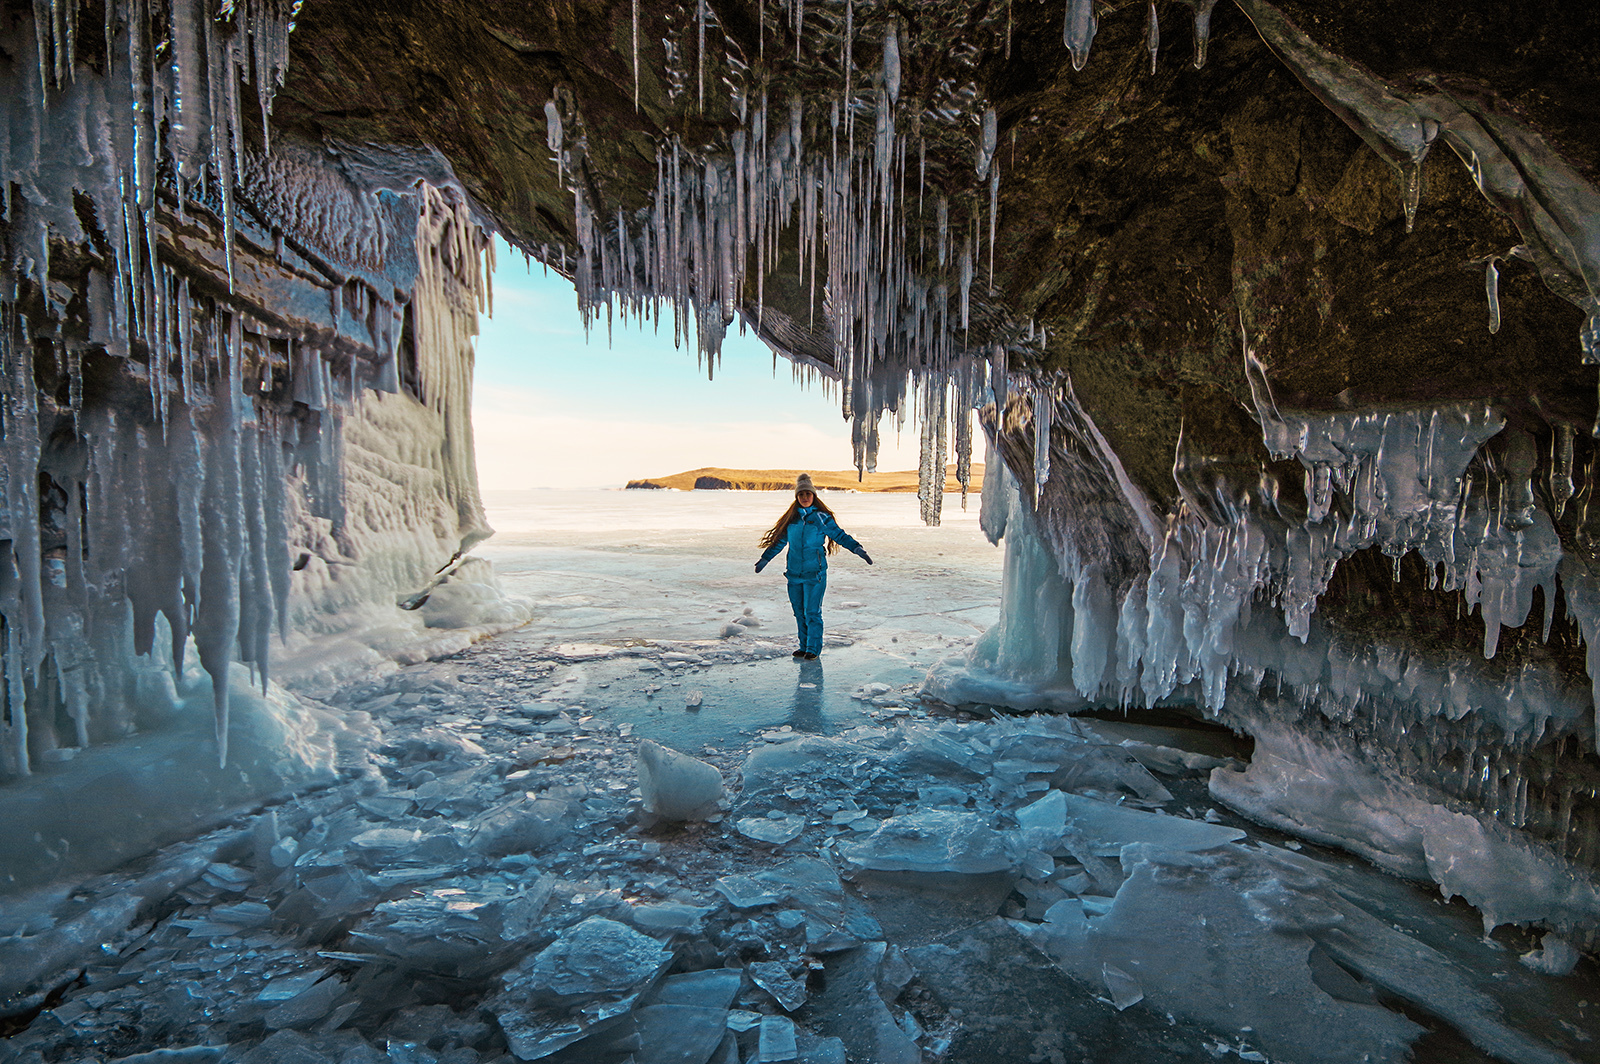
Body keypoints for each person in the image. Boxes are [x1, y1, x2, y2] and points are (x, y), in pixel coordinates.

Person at [754, 474, 873, 659]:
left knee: (812, 612)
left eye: (808, 494)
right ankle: (803, 646)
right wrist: (765, 559)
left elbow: (840, 536)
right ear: (797, 497)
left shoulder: (821, 517)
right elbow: (779, 542)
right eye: (801, 494)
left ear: (814, 495)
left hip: (815, 573)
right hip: (793, 574)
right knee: (799, 613)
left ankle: (813, 648)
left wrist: (857, 548)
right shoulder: (791, 520)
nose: (805, 497)